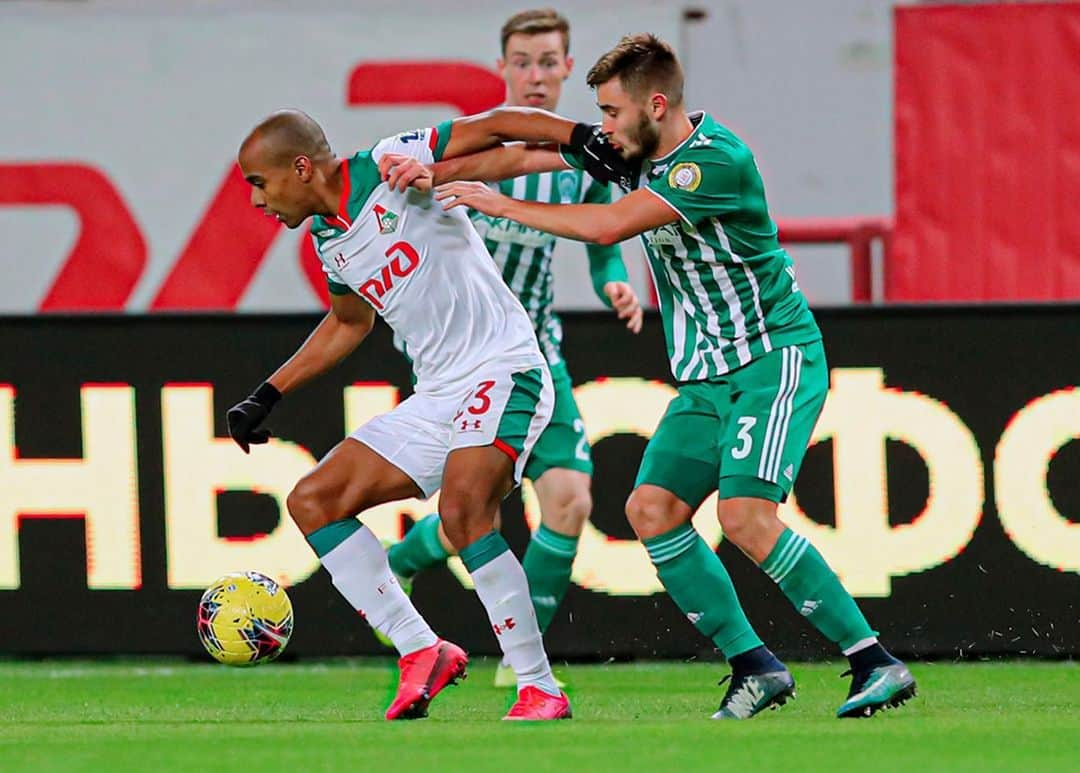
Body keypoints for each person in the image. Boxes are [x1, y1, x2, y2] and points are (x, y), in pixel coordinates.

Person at [379, 33, 917, 720]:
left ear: (654, 106)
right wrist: (434, 172)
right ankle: (755, 666)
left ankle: (874, 660)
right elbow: (522, 153)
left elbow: (606, 228)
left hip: (770, 358)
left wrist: (489, 201)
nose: (601, 127)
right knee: (651, 510)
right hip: (706, 379)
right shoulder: (631, 152)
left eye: (610, 111)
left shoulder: (712, 162)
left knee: (745, 516)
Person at [228, 109, 572, 720]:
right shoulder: (329, 241)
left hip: (503, 367)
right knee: (314, 501)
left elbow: (495, 127)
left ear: (301, 167)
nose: (256, 201)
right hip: (439, 394)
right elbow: (348, 322)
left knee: (464, 511)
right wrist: (268, 393)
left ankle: (539, 686)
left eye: (259, 182)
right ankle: (421, 651)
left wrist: (580, 137)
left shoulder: (391, 161)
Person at [384, 8, 643, 689]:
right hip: (466, 359)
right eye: (521, 62)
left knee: (570, 501)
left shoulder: (582, 158)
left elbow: (602, 245)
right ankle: (404, 559)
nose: (534, 75)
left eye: (547, 61)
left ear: (566, 68)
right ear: (502, 70)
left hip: (536, 352)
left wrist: (616, 286)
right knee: (476, 504)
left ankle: (518, 662)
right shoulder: (478, 150)